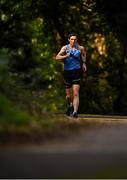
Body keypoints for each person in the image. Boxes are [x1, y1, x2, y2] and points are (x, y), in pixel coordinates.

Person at [55, 33, 87, 118]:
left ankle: (75, 112)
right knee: (68, 96)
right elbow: (57, 57)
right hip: (67, 72)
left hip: (77, 71)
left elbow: (84, 55)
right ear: (69, 40)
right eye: (72, 39)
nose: (73, 41)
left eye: (75, 39)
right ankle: (69, 105)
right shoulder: (65, 48)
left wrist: (84, 63)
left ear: (77, 40)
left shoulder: (80, 48)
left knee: (76, 93)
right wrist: (65, 56)